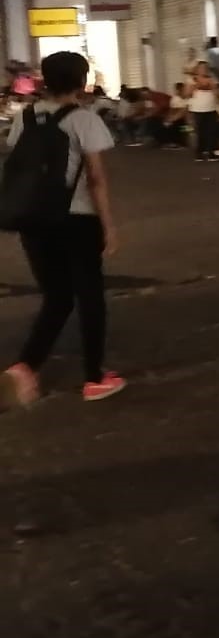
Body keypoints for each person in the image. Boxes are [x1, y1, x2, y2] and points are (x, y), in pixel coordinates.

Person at [2, 51, 124, 405]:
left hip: (34, 219)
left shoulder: (25, 117)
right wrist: (109, 225)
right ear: (81, 80)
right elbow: (96, 179)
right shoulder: (84, 120)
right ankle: (95, 377)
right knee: (89, 298)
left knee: (56, 297)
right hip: (77, 219)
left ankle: (25, 368)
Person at [189, 62, 219, 161]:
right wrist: (197, 85)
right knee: (199, 131)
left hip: (211, 108)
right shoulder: (192, 80)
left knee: (211, 131)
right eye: (201, 68)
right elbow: (186, 94)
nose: (203, 70)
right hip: (197, 109)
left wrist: (213, 87)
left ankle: (211, 152)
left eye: (205, 68)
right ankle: (199, 153)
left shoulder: (213, 79)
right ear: (197, 69)